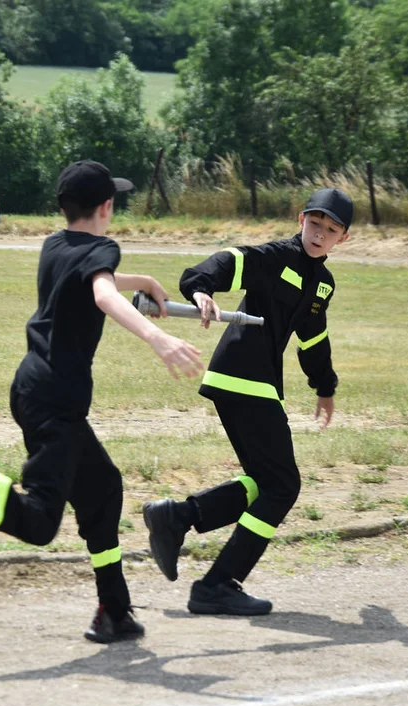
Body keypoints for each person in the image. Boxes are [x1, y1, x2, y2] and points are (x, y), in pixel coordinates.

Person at [0, 160, 204, 643]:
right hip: (56, 399)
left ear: (63, 207)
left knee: (102, 490)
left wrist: (141, 279)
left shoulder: (54, 244)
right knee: (40, 520)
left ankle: (115, 612)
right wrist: (158, 339)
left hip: (34, 387)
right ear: (108, 207)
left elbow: (91, 278)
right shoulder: (104, 249)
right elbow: (101, 293)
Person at [143, 188, 354, 616]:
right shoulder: (276, 257)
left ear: (342, 239)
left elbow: (313, 339)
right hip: (243, 375)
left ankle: (179, 517)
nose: (319, 234)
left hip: (256, 382)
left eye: (330, 230)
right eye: (315, 224)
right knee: (283, 485)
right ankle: (218, 583)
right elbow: (230, 260)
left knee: (267, 482)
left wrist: (325, 386)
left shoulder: (323, 285)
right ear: (301, 220)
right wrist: (201, 288)